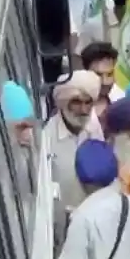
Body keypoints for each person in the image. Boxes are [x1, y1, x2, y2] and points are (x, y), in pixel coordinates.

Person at [46, 69, 106, 211]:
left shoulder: (93, 125)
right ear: (64, 102)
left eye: (88, 103)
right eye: (77, 102)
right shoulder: (47, 135)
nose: (84, 110)